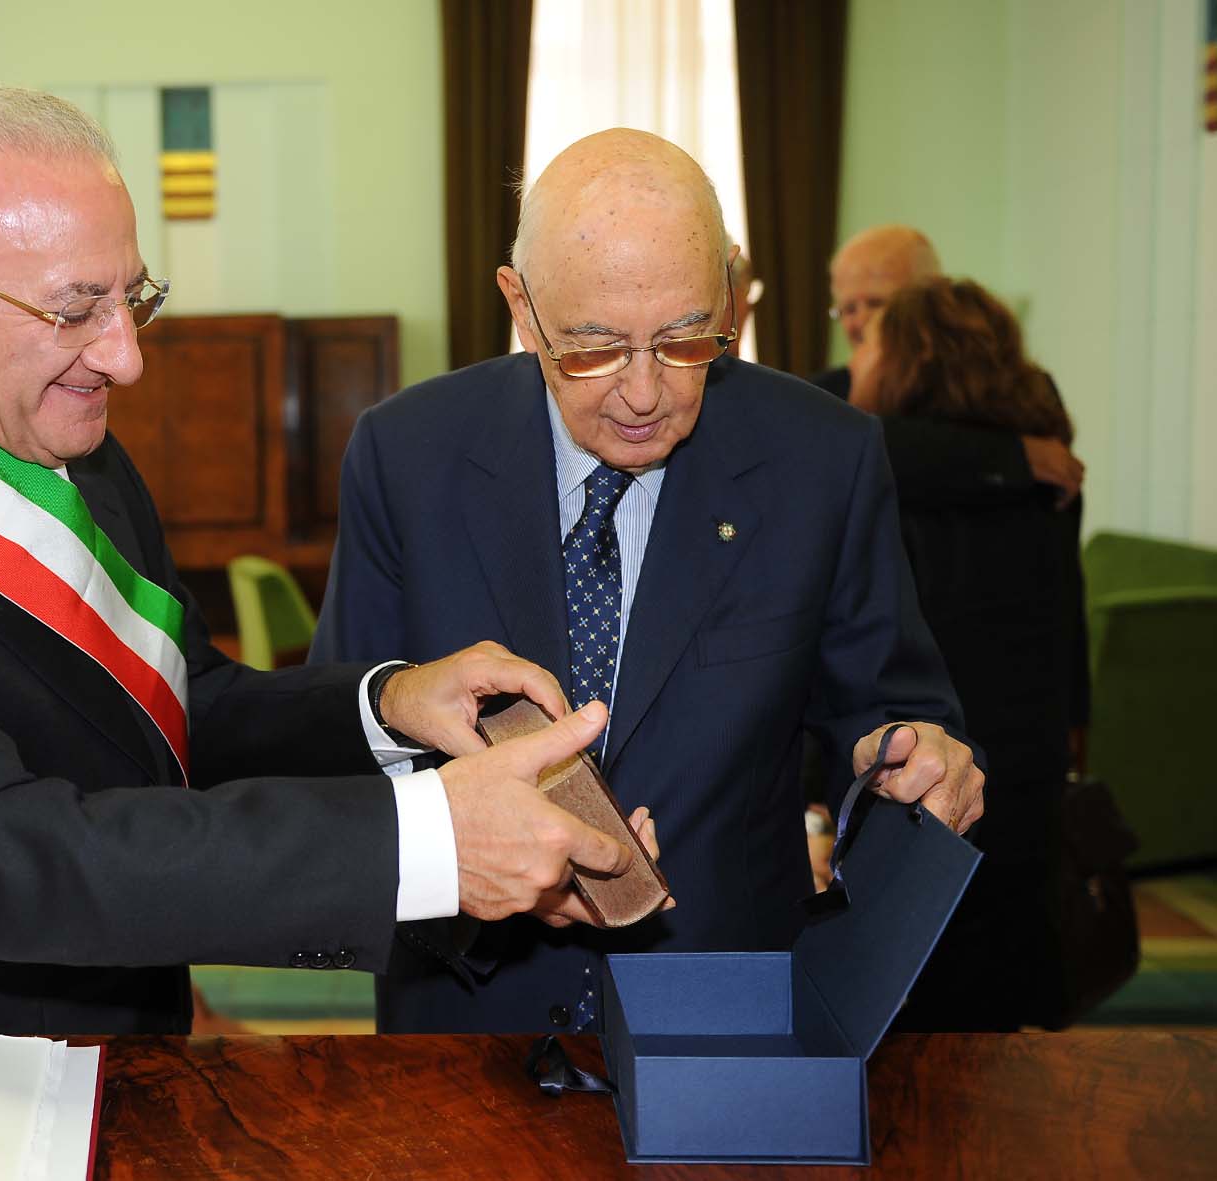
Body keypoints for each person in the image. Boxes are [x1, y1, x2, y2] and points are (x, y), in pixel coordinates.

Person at [0, 87, 657, 1038]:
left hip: (132, 1061)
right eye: (76, 310)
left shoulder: (83, 457)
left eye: (134, 299)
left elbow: (182, 709)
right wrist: (429, 843)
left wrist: (390, 703)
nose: (126, 359)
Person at [311, 129, 984, 1034]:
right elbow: (343, 740)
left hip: (728, 1010)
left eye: (684, 340)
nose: (642, 392)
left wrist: (916, 760)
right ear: (521, 306)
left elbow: (889, 709)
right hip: (469, 1006)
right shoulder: (406, 454)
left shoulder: (823, 458)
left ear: (730, 297)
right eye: (593, 348)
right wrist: (465, 858)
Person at [849, 277, 1088, 1030]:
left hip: (935, 751)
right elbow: (1071, 611)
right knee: (1009, 962)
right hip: (1027, 746)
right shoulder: (1038, 467)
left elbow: (854, 432)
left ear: (911, 357)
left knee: (924, 974)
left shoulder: (892, 471)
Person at [812, 225, 1085, 508]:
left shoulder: (1018, 391)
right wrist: (1011, 455)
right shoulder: (820, 396)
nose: (860, 322)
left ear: (933, 298)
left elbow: (1060, 480)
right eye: (847, 309)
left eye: (877, 303)